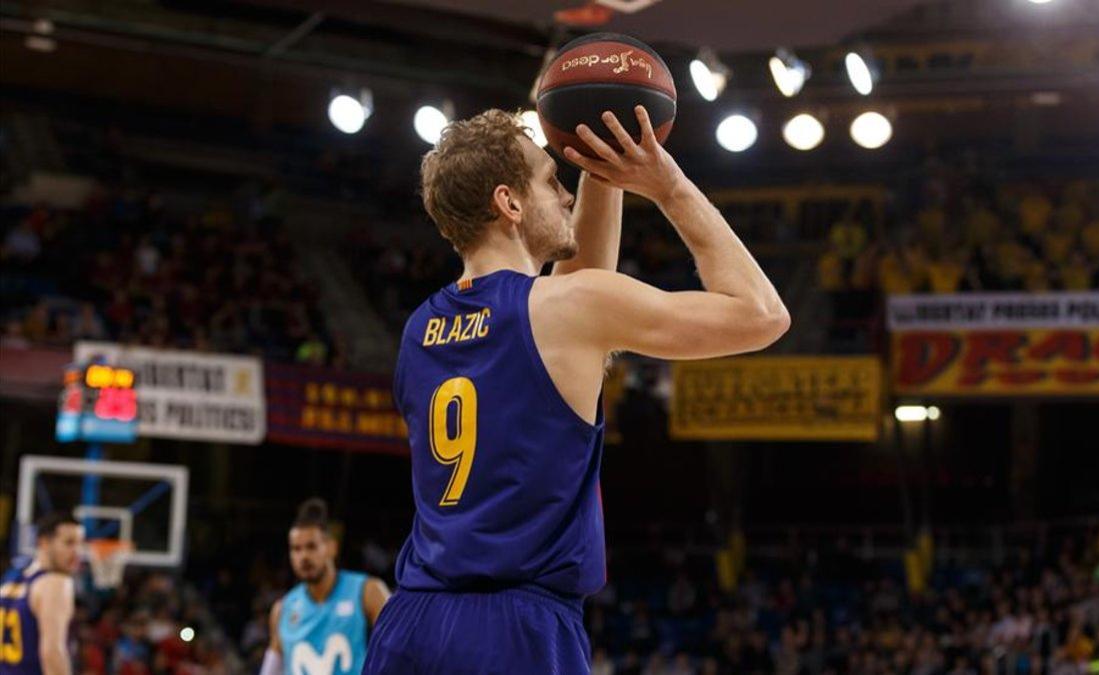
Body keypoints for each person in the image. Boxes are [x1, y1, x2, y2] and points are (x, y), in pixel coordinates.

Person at [364, 106, 789, 673]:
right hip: (515, 630)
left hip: (411, 624)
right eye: (550, 180)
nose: (565, 196)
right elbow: (761, 315)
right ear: (508, 204)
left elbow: (577, 291)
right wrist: (669, 186)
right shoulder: (569, 309)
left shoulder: (419, 328)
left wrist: (602, 173)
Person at [262, 499, 390, 675]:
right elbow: (270, 671)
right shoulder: (282, 610)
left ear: (331, 547)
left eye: (311, 546)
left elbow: (400, 649)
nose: (304, 556)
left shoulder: (368, 591)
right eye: (296, 549)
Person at [0, 512, 84, 675]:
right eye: (69, 543)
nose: (77, 552)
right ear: (44, 543)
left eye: (80, 543)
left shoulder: (10, 579)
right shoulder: (56, 583)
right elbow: (52, 653)